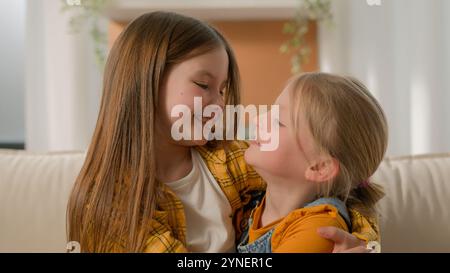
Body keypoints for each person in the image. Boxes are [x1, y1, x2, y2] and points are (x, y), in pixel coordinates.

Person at [67, 11, 378, 253]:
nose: (219, 102)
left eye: (223, 89)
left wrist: (362, 244)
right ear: (146, 83)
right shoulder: (111, 201)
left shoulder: (229, 160)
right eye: (203, 85)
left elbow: (342, 187)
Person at [238, 72, 387, 252]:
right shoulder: (249, 196)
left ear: (319, 167)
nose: (257, 120)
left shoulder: (319, 230)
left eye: (279, 122)